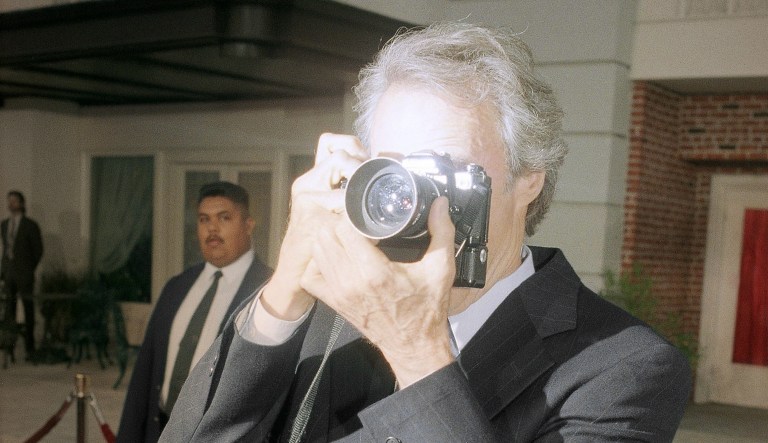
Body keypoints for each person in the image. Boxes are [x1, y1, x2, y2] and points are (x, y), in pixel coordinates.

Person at [161, 23, 692, 442]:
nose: (414, 199)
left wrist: (416, 348)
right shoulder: (335, 309)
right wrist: (285, 294)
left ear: (528, 177)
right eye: (393, 169)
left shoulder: (622, 366)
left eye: (443, 168)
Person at [117, 181, 273, 443]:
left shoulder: (269, 292)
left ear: (248, 225)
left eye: (224, 218)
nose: (212, 229)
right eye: (204, 220)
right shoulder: (177, 287)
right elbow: (145, 374)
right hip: (160, 430)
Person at [1, 190, 43, 359]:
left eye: (14, 201)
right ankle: (9, 347)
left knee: (28, 309)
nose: (11, 204)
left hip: (24, 275)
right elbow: (6, 249)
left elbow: (38, 250)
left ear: (22, 204)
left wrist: (28, 268)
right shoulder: (4, 225)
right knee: (9, 311)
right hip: (9, 274)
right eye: (9, 201)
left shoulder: (30, 225)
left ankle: (30, 348)